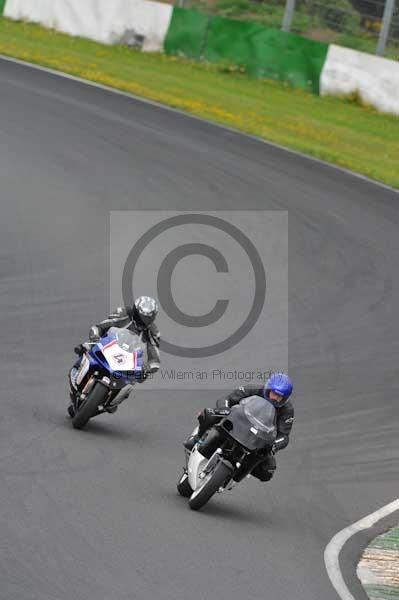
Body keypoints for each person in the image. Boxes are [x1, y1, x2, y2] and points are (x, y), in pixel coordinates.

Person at [184, 372, 294, 483]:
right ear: (268, 388)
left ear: (285, 398)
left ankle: (239, 473)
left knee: (268, 470)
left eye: (279, 396)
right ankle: (197, 438)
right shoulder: (252, 389)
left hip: (258, 437)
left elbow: (284, 435)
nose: (275, 398)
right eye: (273, 393)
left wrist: (274, 445)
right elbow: (227, 399)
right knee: (208, 414)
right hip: (237, 421)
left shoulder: (287, 409)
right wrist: (225, 409)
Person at [69, 296, 160, 413]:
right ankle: (77, 371)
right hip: (110, 344)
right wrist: (96, 335)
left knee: (134, 380)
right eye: (142, 317)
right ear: (135, 311)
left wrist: (148, 367)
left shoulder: (153, 331)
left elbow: (155, 357)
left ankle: (113, 401)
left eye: (148, 318)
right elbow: (103, 325)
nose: (144, 321)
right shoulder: (125, 313)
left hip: (129, 358)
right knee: (86, 348)